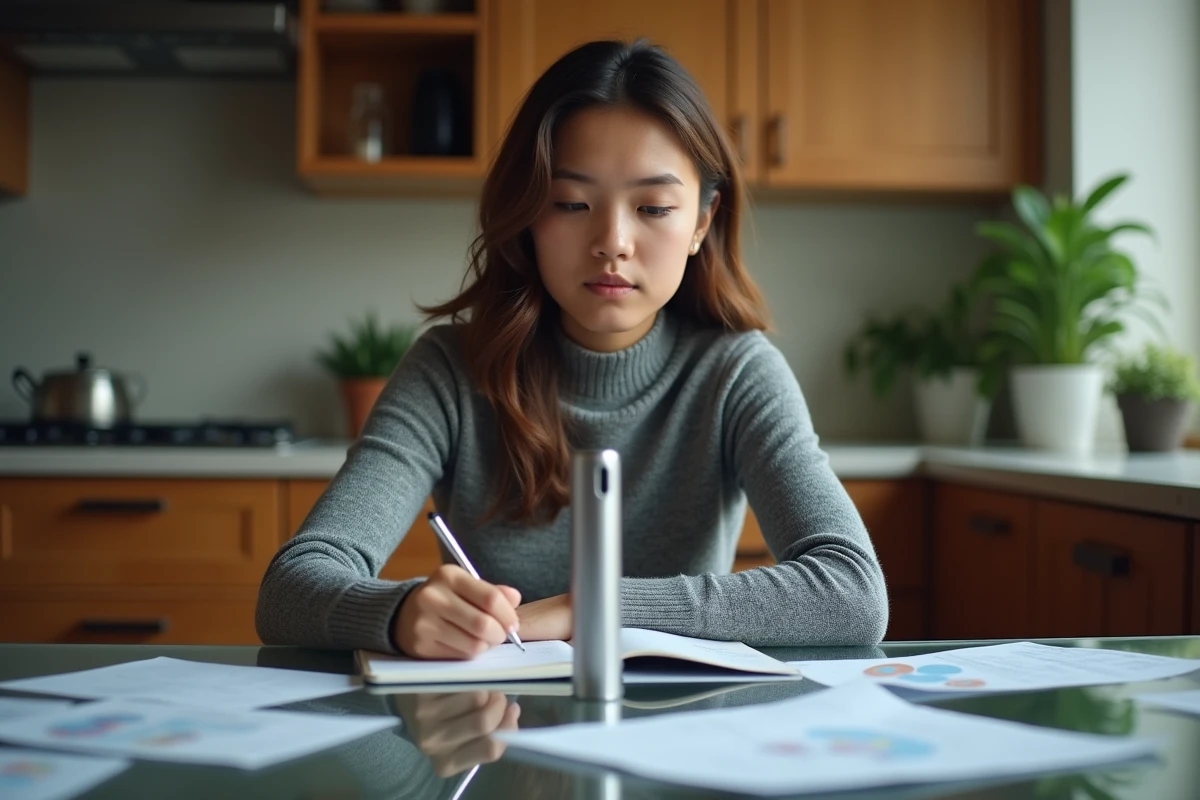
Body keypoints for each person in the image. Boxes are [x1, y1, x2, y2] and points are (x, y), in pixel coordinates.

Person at [256, 39, 888, 658]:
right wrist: (396, 615)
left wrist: (593, 607)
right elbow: (291, 588)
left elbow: (853, 593)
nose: (612, 240)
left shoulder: (736, 372)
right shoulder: (449, 370)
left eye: (654, 206)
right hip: (494, 733)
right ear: (529, 212)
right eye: (571, 202)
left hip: (677, 736)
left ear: (701, 220)